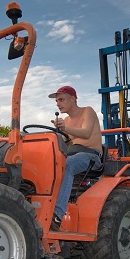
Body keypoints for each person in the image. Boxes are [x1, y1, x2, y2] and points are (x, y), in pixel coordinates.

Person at [49, 86, 103, 231]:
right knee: (49, 165)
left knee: (68, 164)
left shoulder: (87, 111)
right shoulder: (66, 120)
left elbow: (85, 133)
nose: (58, 103)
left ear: (72, 99)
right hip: (73, 153)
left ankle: (56, 215)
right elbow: (66, 141)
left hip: (91, 156)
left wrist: (64, 128)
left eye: (61, 99)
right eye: (56, 101)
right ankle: (43, 208)